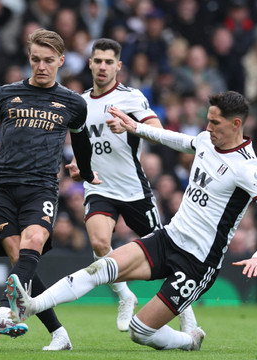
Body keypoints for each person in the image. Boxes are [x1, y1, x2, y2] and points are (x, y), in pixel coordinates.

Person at [6, 91, 257, 351]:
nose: (208, 127)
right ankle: (31, 305)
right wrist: (136, 128)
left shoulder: (247, 169)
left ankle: (190, 342)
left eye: (215, 123)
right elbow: (177, 140)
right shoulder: (206, 141)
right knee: (101, 268)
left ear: (236, 124)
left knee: (139, 331)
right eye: (208, 120)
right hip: (169, 238)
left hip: (198, 262)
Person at [0, 28, 100, 351]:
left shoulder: (73, 103)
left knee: (33, 243)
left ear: (61, 61)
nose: (41, 66)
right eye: (36, 59)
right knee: (21, 262)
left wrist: (88, 172)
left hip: (41, 188)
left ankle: (3, 309)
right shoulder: (4, 95)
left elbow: (81, 141)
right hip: (2, 188)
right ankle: (59, 334)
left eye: (48, 61)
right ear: (29, 58)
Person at [65, 38, 196, 332]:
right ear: (89, 63)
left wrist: (128, 125)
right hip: (99, 187)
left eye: (108, 62)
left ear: (118, 66)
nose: (102, 66)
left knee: (168, 255)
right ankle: (125, 296)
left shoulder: (131, 98)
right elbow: (85, 144)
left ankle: (187, 317)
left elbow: (159, 132)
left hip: (134, 189)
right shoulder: (80, 103)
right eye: (97, 61)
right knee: (99, 242)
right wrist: (78, 165)